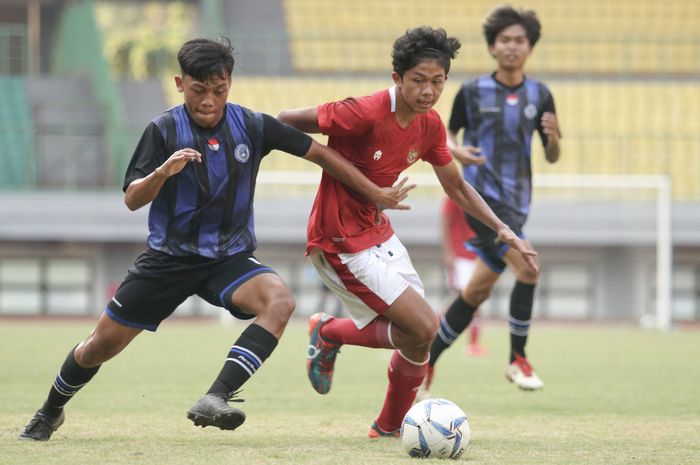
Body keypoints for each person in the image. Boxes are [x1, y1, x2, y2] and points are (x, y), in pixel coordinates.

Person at [18, 37, 414, 441]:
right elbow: (132, 199)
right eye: (198, 89)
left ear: (229, 83)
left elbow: (320, 153)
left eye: (218, 89)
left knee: (279, 301)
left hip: (229, 259)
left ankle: (216, 396)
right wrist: (161, 174)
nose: (209, 99)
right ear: (179, 82)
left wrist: (373, 192)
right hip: (168, 260)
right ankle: (51, 410)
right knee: (97, 347)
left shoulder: (253, 125)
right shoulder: (164, 129)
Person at [277, 26, 538, 438]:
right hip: (338, 237)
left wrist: (503, 228)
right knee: (424, 327)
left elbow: (456, 186)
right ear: (397, 78)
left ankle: (387, 427)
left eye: (437, 82)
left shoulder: (431, 125)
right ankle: (327, 332)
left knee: (418, 340)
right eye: (419, 80)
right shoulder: (362, 111)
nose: (428, 91)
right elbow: (283, 124)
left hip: (377, 232)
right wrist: (367, 187)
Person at [424, 6, 561, 394]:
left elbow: (552, 155)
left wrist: (553, 139)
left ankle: (424, 360)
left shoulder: (541, 94)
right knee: (530, 267)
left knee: (475, 293)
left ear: (529, 47)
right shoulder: (472, 91)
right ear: (492, 46)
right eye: (505, 40)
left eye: (519, 40)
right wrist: (458, 153)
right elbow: (445, 136)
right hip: (480, 203)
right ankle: (517, 359)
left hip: (517, 206)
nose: (512, 47)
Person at [440, 196, 486, 357]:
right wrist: (448, 252)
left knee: (474, 299)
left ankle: (473, 344)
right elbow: (445, 222)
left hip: (477, 255)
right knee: (461, 299)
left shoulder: (482, 191)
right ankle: (429, 331)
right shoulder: (455, 192)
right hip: (460, 256)